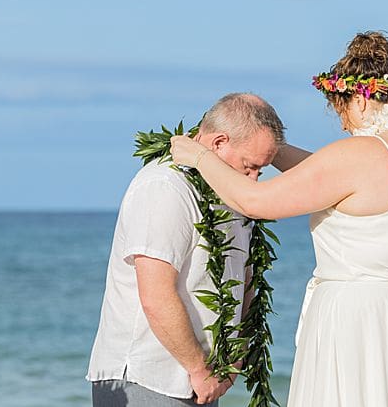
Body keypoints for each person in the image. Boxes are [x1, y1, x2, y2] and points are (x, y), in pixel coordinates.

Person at [170, 32, 388, 407]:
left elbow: (254, 201)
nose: (344, 125)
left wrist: (198, 157)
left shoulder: (363, 153)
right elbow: (328, 176)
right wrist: (268, 150)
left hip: (370, 323)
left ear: (359, 99)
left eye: (340, 111)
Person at [87, 93, 284, 406]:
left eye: (261, 170)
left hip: (201, 379)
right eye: (250, 167)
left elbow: (242, 274)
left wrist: (232, 357)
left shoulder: (230, 192)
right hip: (149, 377)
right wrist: (198, 367)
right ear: (218, 143)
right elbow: (156, 293)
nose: (255, 178)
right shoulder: (166, 187)